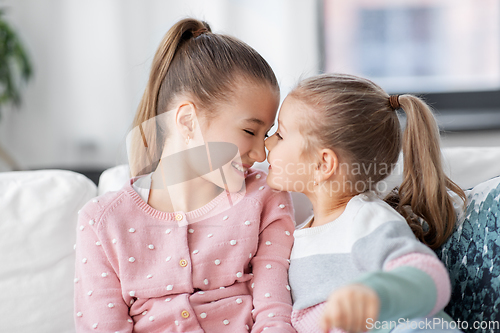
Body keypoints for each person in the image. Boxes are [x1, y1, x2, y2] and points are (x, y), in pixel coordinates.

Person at [74, 18, 296, 333]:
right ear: (188, 121)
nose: (261, 155)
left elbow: (275, 316)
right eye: (250, 130)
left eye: (266, 134)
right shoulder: (101, 221)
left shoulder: (265, 197)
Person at [265, 73, 466, 333]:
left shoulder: (366, 218)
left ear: (323, 164)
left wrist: (376, 296)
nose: (267, 142)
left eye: (280, 135)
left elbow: (430, 277)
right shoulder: (299, 233)